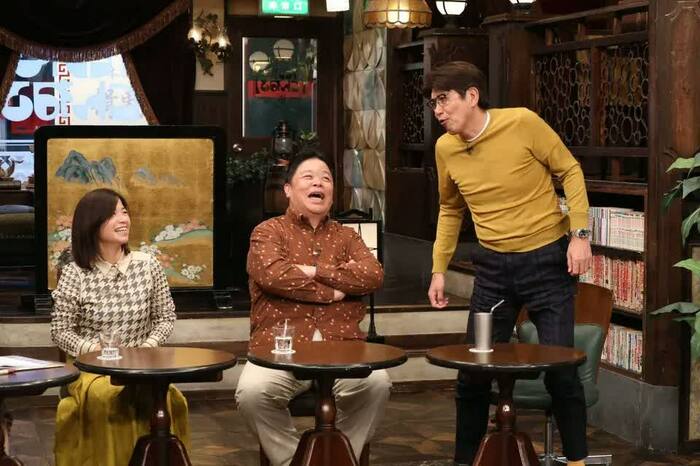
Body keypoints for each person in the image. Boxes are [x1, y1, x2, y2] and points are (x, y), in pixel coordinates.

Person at [424, 61, 592, 466]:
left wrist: (580, 234)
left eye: (444, 100)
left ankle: (577, 461)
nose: (438, 111)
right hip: (493, 270)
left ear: (472, 96)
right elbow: (450, 208)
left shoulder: (522, 123)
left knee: (561, 372)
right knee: (472, 372)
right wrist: (438, 269)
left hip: (546, 262)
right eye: (433, 104)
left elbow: (570, 170)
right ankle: (465, 461)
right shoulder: (445, 148)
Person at [235, 152, 391, 466]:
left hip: (342, 347)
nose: (318, 183)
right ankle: (293, 461)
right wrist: (335, 291)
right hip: (280, 349)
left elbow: (372, 275)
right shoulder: (268, 232)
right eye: (308, 177)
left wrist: (314, 270)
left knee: (377, 384)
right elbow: (274, 275)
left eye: (326, 178)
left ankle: (339, 459)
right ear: (288, 189)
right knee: (251, 392)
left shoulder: (347, 236)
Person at [50, 188, 189, 466]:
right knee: (109, 399)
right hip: (93, 370)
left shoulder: (147, 265)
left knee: (172, 399)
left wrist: (147, 348)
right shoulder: (75, 273)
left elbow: (165, 318)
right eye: (113, 214)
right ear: (92, 222)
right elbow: (60, 330)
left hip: (143, 365)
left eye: (124, 212)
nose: (123, 219)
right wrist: (94, 350)